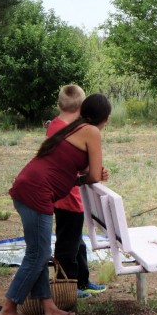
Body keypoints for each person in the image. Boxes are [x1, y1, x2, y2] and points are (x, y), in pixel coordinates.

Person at [0, 93, 111, 315]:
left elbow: (79, 171)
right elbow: (92, 175)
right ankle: (9, 309)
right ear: (104, 118)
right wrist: (95, 174)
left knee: (38, 251)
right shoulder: (92, 131)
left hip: (29, 187)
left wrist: (91, 174)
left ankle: (49, 308)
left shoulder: (74, 128)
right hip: (36, 193)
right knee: (38, 255)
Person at [46, 85, 107, 299]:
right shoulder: (67, 130)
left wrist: (91, 169)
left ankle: (82, 280)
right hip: (67, 198)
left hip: (71, 196)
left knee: (77, 242)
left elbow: (72, 162)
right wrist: (92, 171)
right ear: (81, 108)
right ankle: (68, 286)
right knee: (67, 245)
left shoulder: (56, 125)